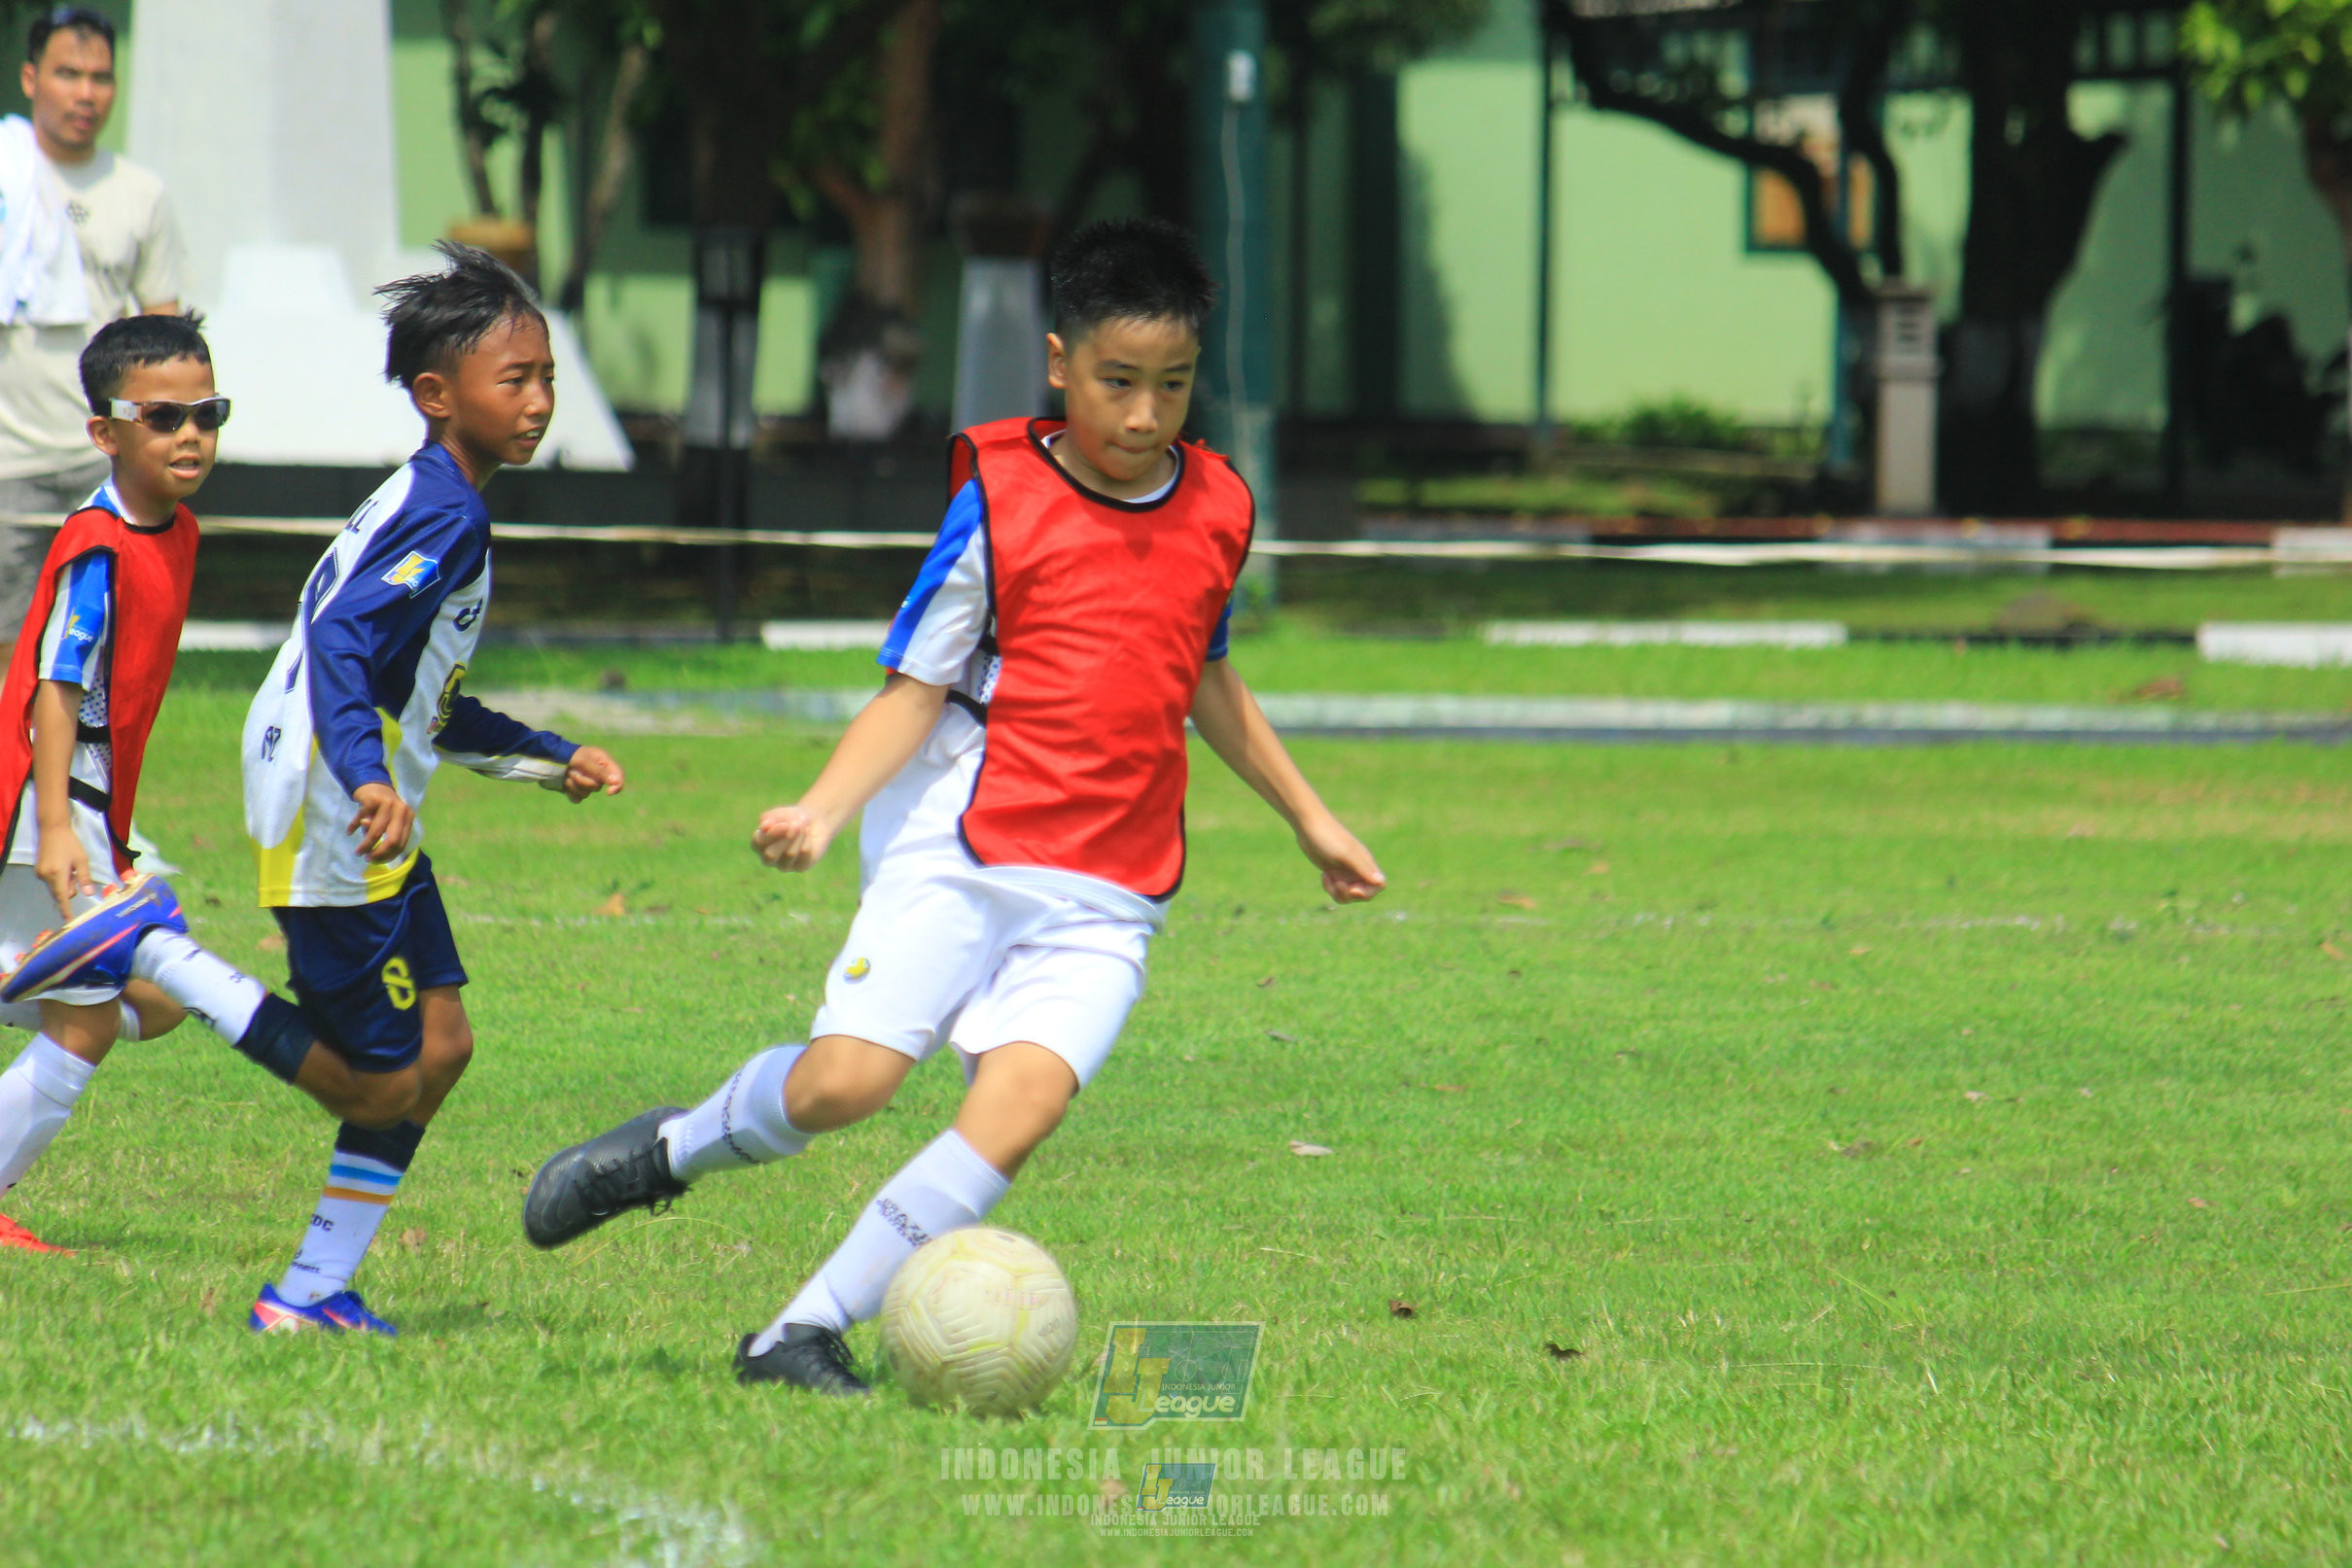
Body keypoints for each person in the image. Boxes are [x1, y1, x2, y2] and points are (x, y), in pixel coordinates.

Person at [521, 218, 1387, 1395]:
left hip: (1114, 878)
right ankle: (667, 1149)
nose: (1144, 416)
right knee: (843, 1086)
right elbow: (913, 689)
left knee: (1017, 1110)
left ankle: (798, 1332)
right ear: (1058, 363)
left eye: (1173, 385)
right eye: (1118, 382)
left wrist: (1309, 817)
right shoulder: (1002, 499)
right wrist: (823, 808)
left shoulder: (1220, 504)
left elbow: (1205, 675)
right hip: (965, 833)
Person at [1, 245, 628, 1335]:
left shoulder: (435, 500)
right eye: (514, 380)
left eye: (545, 377)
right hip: (332, 795)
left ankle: (312, 1291)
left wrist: (543, 755)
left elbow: (409, 686)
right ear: (437, 395)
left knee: (441, 1048)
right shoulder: (446, 514)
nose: (538, 401)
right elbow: (340, 643)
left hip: (350, 783)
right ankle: (159, 952)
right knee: (372, 1082)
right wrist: (369, 775)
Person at [0, 7, 184, 670]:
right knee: (8, 651)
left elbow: (167, 342)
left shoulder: (142, 193)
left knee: (95, 656)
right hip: (8, 463)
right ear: (30, 79)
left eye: (100, 78)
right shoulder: (7, 173)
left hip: (103, 461)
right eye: (68, 74)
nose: (86, 93)